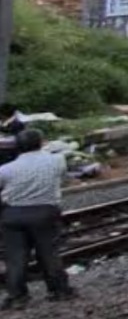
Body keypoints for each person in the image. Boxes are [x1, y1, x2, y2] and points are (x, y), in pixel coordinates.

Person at [0, 129, 74, 308]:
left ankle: (17, 296)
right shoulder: (57, 161)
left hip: (13, 215)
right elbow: (64, 179)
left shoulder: (5, 170)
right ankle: (59, 290)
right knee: (48, 253)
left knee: (15, 257)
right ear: (41, 142)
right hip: (45, 212)